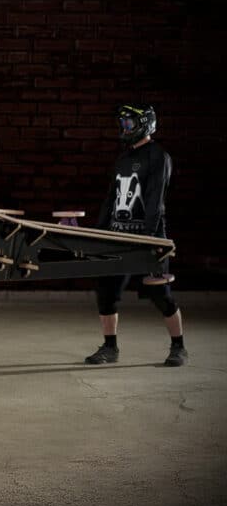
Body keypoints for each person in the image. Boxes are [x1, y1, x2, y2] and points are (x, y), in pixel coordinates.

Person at [85, 103, 187, 367]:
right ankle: (110, 348)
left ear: (144, 124)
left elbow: (155, 201)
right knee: (106, 291)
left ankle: (179, 347)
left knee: (160, 293)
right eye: (122, 123)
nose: (124, 128)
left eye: (129, 123)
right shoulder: (123, 158)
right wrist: (98, 234)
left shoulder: (158, 156)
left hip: (147, 239)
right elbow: (111, 199)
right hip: (118, 238)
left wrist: (148, 239)